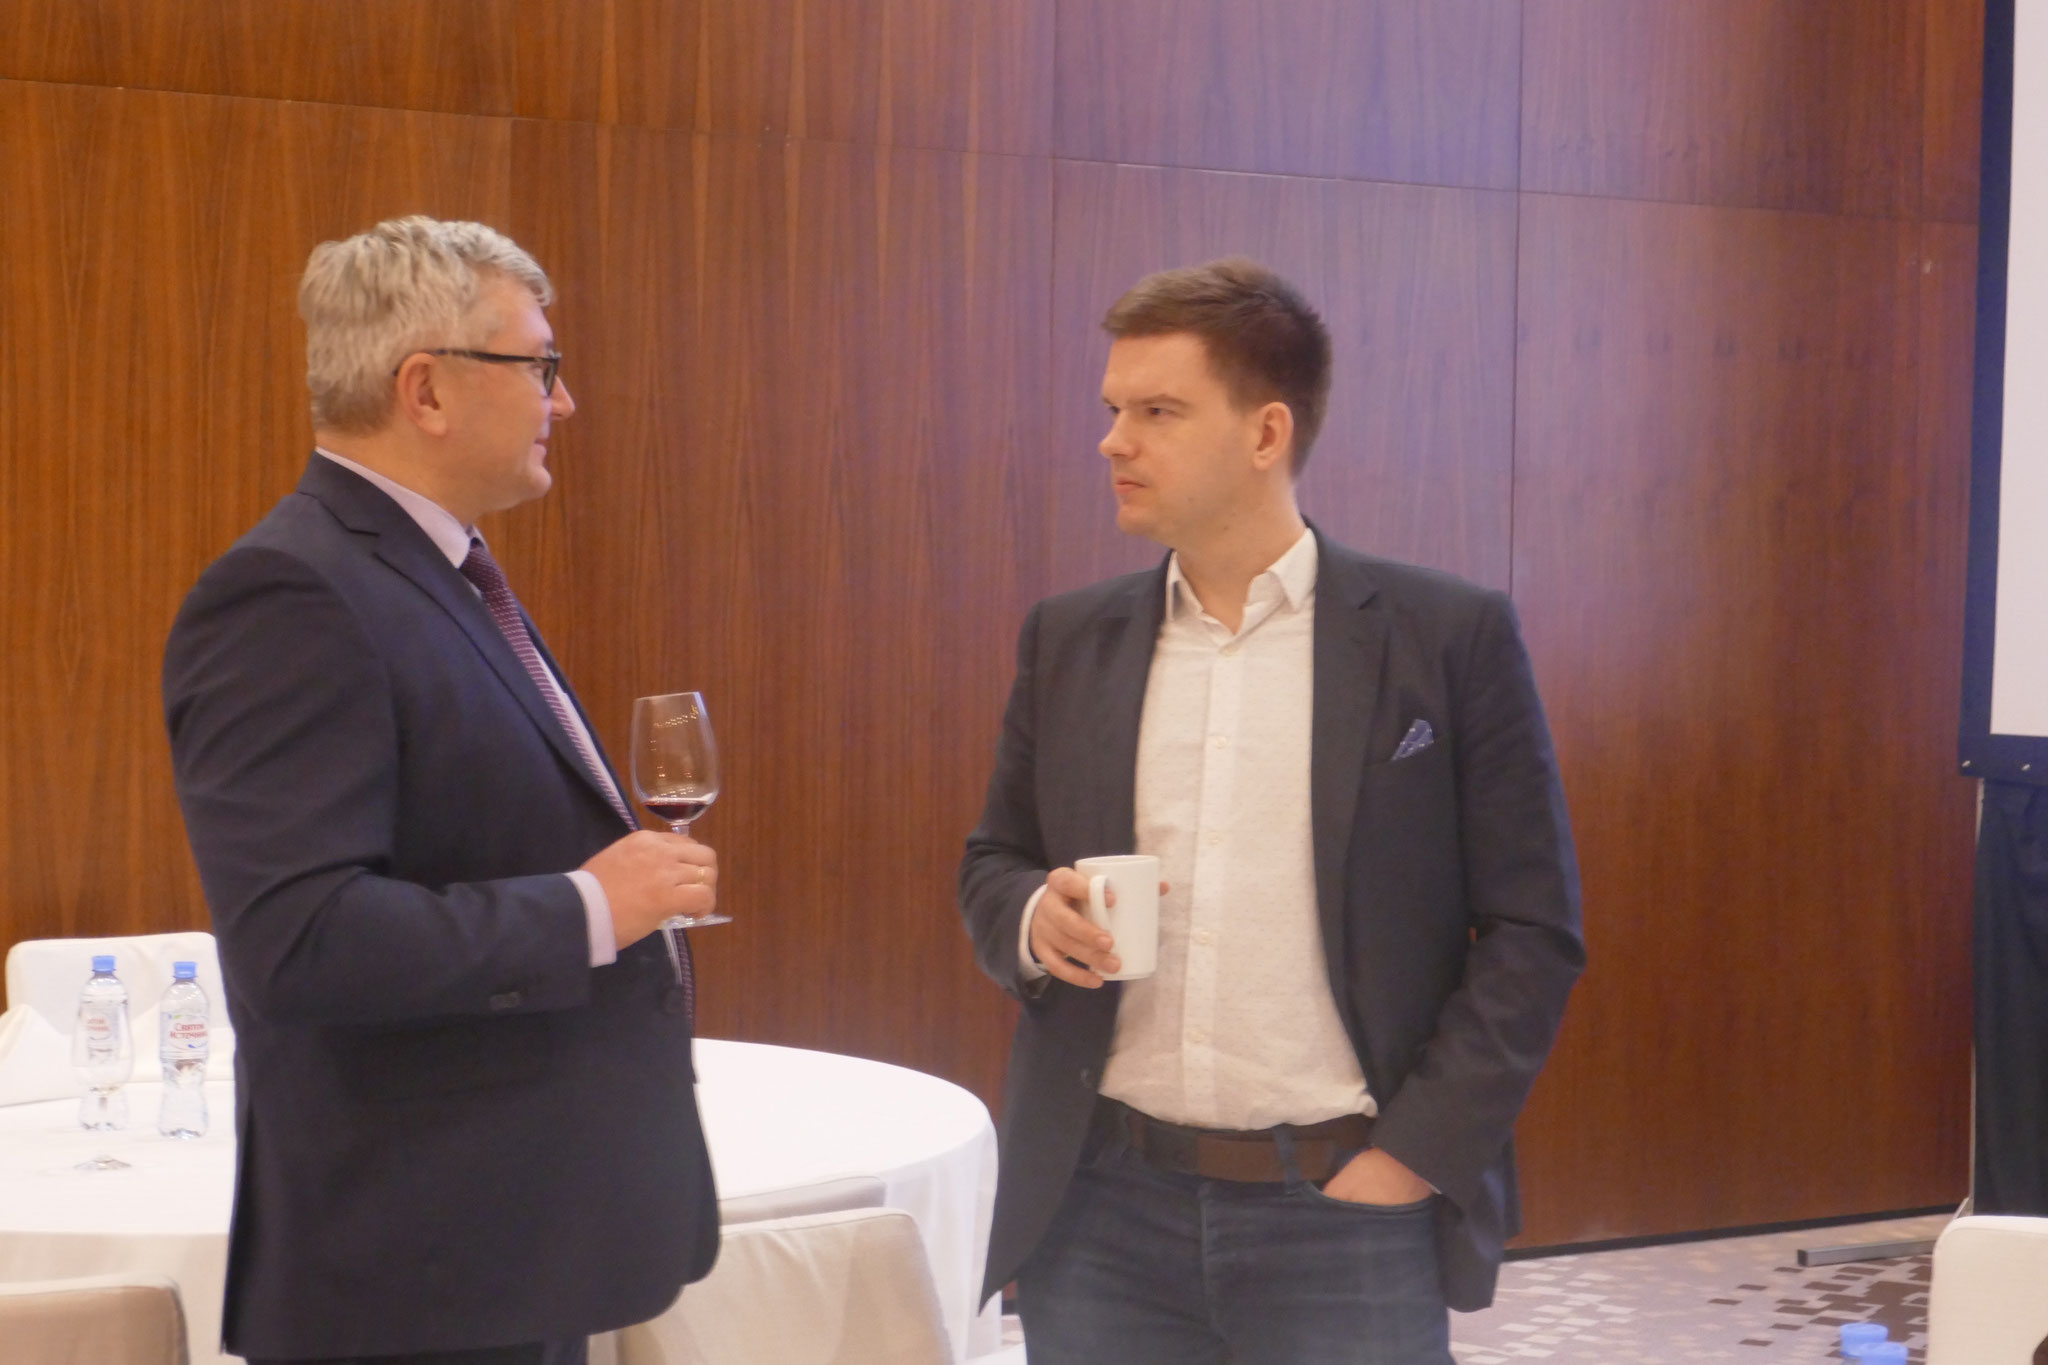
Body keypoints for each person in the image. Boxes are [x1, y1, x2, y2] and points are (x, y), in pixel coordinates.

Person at [958, 258, 1585, 1364]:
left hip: (1344, 1211)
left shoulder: (1444, 637)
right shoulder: (1070, 638)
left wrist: (1410, 1158)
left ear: (1265, 433)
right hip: (1099, 1210)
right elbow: (994, 859)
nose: (1112, 441)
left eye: (1157, 412)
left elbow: (1532, 932)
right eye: (1113, 409)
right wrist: (1027, 919)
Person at [164, 216, 720, 1365]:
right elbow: (297, 943)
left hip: (500, 1253)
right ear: (424, 389)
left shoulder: (435, 570)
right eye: (538, 366)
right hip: (411, 1282)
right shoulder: (290, 594)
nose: (563, 401)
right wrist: (589, 908)